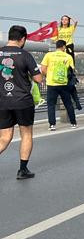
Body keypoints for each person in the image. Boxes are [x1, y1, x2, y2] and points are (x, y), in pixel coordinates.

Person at [0, 25, 43, 180]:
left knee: (5, 137)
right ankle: (22, 170)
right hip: (22, 101)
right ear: (23, 39)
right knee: (26, 134)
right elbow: (38, 79)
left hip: (3, 101)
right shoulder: (25, 55)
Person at [41, 39, 77, 130]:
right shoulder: (68, 56)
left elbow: (43, 69)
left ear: (56, 46)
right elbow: (72, 70)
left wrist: (48, 76)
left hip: (51, 83)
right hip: (64, 83)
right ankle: (73, 123)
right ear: (64, 47)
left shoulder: (49, 55)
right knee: (68, 104)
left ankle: (52, 125)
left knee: (51, 105)